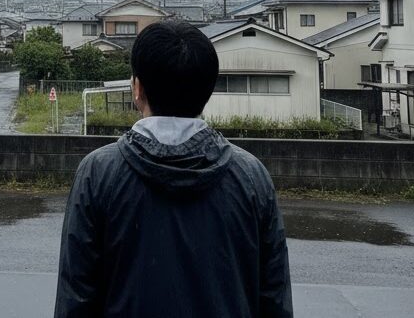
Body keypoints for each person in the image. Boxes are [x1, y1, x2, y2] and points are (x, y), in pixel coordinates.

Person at [54, 20, 292, 318]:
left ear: (137, 88)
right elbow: (274, 298)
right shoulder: (251, 176)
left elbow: (76, 298)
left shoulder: (98, 173)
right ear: (207, 93)